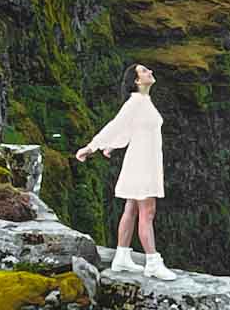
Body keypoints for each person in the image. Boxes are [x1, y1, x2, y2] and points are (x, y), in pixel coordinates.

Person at [75, 61, 176, 279]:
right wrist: (92, 147)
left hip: (143, 161)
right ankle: (152, 262)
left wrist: (112, 145)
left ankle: (121, 257)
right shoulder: (136, 102)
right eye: (144, 71)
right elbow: (116, 124)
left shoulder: (143, 102)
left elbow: (131, 128)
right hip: (142, 164)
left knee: (131, 209)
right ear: (137, 81)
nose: (151, 71)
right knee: (147, 212)